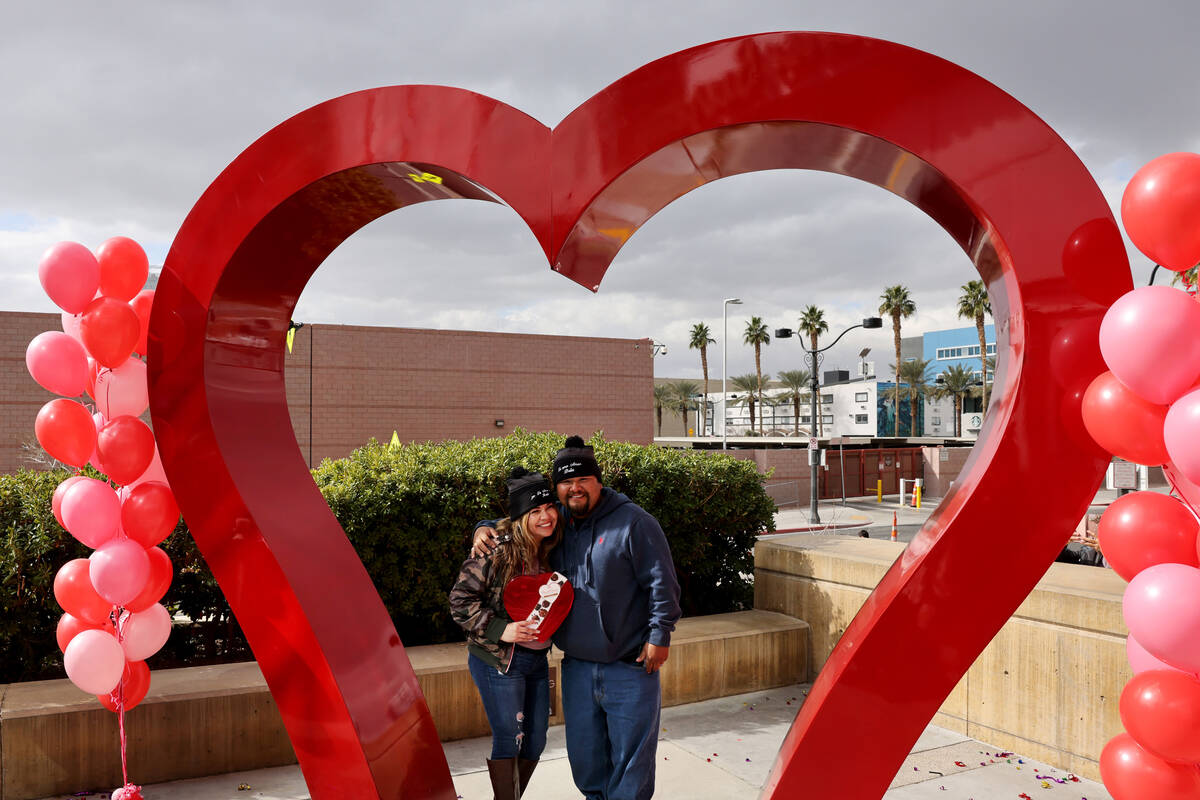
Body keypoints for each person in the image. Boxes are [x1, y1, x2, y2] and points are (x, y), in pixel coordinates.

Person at [474, 436, 682, 800]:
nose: (575, 488)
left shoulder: (634, 523)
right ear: (557, 489)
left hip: (629, 668)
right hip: (577, 670)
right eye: (566, 482)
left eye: (583, 480)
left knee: (630, 766)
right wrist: (484, 524)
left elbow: (662, 583)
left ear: (598, 480)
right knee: (587, 765)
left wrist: (660, 634)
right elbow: (523, 519)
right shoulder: (559, 523)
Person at [450, 467, 563, 800]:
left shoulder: (552, 547)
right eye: (535, 511)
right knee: (508, 739)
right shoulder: (495, 551)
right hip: (499, 663)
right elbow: (459, 602)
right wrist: (502, 629)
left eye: (549, 507)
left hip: (537, 662)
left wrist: (480, 525)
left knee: (536, 741)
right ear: (519, 516)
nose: (545, 516)